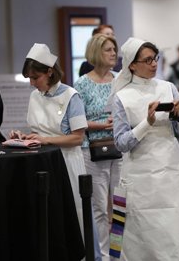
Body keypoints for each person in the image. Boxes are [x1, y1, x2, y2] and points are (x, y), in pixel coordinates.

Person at [110, 37, 179, 260]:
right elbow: (120, 143)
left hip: (171, 167)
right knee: (143, 229)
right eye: (147, 60)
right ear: (132, 65)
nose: (154, 64)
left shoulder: (168, 88)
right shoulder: (122, 97)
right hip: (140, 173)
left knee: (177, 221)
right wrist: (146, 123)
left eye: (155, 58)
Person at [10, 43, 101, 260]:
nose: (32, 83)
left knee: (75, 214)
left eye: (35, 78)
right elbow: (37, 131)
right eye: (29, 79)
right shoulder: (35, 97)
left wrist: (44, 139)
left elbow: (77, 138)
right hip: (42, 163)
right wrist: (24, 137)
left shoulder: (72, 96)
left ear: (49, 72)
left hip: (67, 162)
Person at [74, 34, 122, 261]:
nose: (114, 53)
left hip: (120, 148)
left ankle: (118, 253)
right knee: (100, 207)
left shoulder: (120, 80)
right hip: (91, 149)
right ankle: (102, 255)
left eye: (114, 49)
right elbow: (75, 121)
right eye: (108, 50)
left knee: (121, 206)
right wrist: (102, 124)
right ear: (95, 53)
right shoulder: (81, 84)